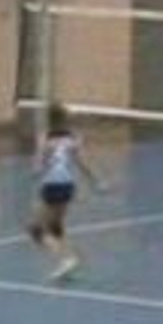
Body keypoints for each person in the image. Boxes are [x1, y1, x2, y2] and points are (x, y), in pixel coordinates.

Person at [28, 103, 103, 281]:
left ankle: (67, 259)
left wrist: (35, 169)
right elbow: (83, 163)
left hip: (52, 185)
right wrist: (97, 181)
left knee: (36, 230)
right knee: (55, 227)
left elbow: (38, 166)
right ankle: (71, 257)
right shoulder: (73, 139)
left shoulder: (45, 138)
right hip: (68, 186)